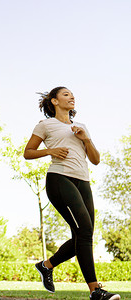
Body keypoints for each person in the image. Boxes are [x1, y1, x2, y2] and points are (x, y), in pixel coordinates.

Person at [24, 87, 120, 300]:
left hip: (83, 182)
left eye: (73, 94)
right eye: (66, 94)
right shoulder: (45, 125)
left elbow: (95, 160)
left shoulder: (81, 127)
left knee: (83, 235)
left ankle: (46, 265)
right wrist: (50, 151)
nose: (72, 97)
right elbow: (27, 153)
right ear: (54, 101)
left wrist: (86, 139)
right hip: (60, 178)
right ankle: (95, 291)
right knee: (84, 231)